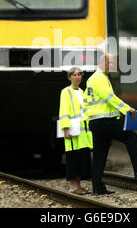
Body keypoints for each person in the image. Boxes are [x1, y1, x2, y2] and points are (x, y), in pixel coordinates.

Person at [85, 54, 137, 195]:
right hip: (104, 121)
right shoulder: (99, 78)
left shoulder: (94, 78)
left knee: (100, 155)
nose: (113, 66)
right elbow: (110, 98)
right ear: (104, 62)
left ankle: (98, 188)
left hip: (97, 121)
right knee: (131, 137)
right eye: (111, 63)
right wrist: (127, 109)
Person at [58, 67, 93, 195]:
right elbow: (64, 111)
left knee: (80, 158)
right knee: (72, 158)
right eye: (74, 75)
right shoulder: (65, 92)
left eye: (79, 74)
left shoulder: (82, 92)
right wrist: (65, 129)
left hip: (82, 133)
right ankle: (73, 187)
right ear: (69, 77)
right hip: (72, 131)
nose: (77, 77)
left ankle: (78, 186)